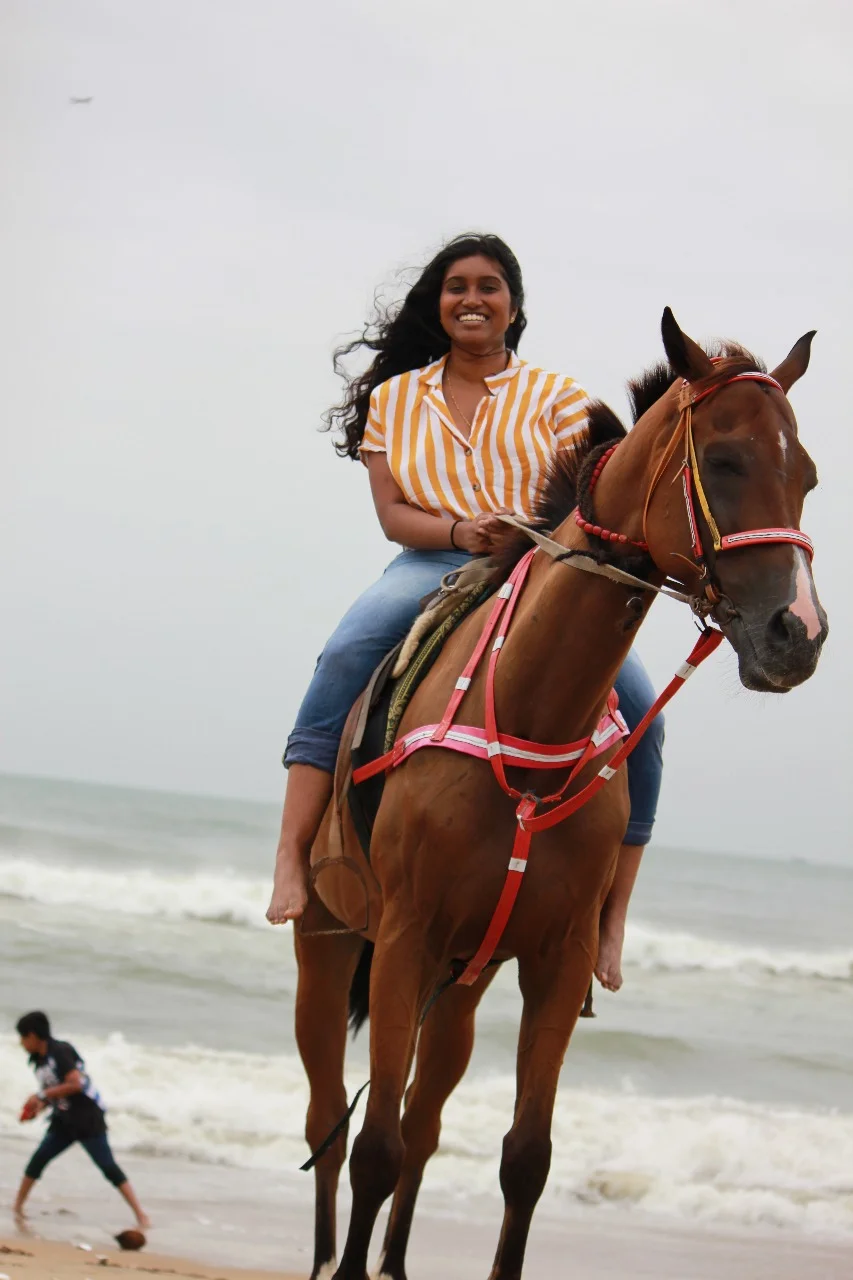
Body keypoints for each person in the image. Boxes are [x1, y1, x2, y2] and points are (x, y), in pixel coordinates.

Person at [266, 233, 664, 992]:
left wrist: (525, 538)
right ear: (438, 304)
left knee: (642, 712)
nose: (471, 298)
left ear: (514, 306)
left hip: (540, 572)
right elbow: (391, 514)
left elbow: (585, 503)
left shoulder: (560, 398)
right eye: (456, 286)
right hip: (429, 560)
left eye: (488, 285)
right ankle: (292, 857)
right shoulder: (394, 399)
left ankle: (610, 915)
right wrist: (458, 532)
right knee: (344, 657)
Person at [13, 1011, 149, 1229]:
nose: (21, 1043)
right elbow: (55, 1091)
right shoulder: (40, 1061)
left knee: (107, 1166)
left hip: (86, 1117)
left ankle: (141, 1216)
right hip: (64, 1119)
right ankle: (17, 1207)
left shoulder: (60, 1051)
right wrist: (38, 1107)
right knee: (38, 1160)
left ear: (33, 1035)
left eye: (23, 1037)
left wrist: (41, 1096)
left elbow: (76, 1084)